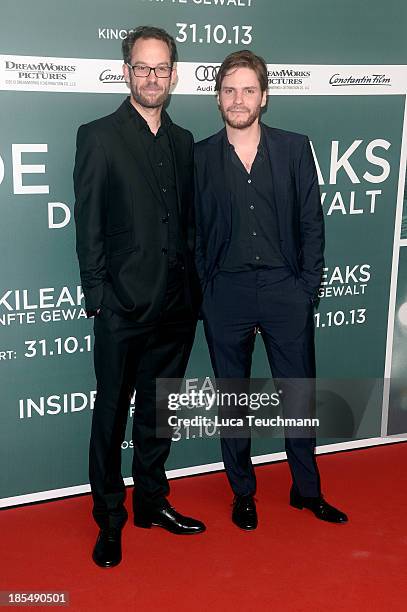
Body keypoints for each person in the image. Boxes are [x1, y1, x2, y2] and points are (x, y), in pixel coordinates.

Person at [194, 50, 348, 530]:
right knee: (234, 400)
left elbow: (311, 224)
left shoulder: (294, 148)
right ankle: (243, 492)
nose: (238, 99)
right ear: (218, 98)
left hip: (286, 289)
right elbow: (193, 233)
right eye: (229, 90)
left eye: (248, 90)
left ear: (265, 97)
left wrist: (306, 290)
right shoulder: (198, 157)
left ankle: (307, 490)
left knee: (298, 395)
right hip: (227, 293)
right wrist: (206, 290)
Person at [74, 25, 205, 568]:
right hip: (122, 307)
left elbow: (189, 223)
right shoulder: (98, 135)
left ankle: (152, 500)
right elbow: (89, 226)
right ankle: (110, 517)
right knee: (110, 410)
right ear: (127, 70)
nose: (153, 77)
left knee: (158, 409)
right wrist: (100, 296)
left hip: (177, 306)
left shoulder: (182, 141)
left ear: (174, 74)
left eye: (162, 68)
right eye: (142, 67)